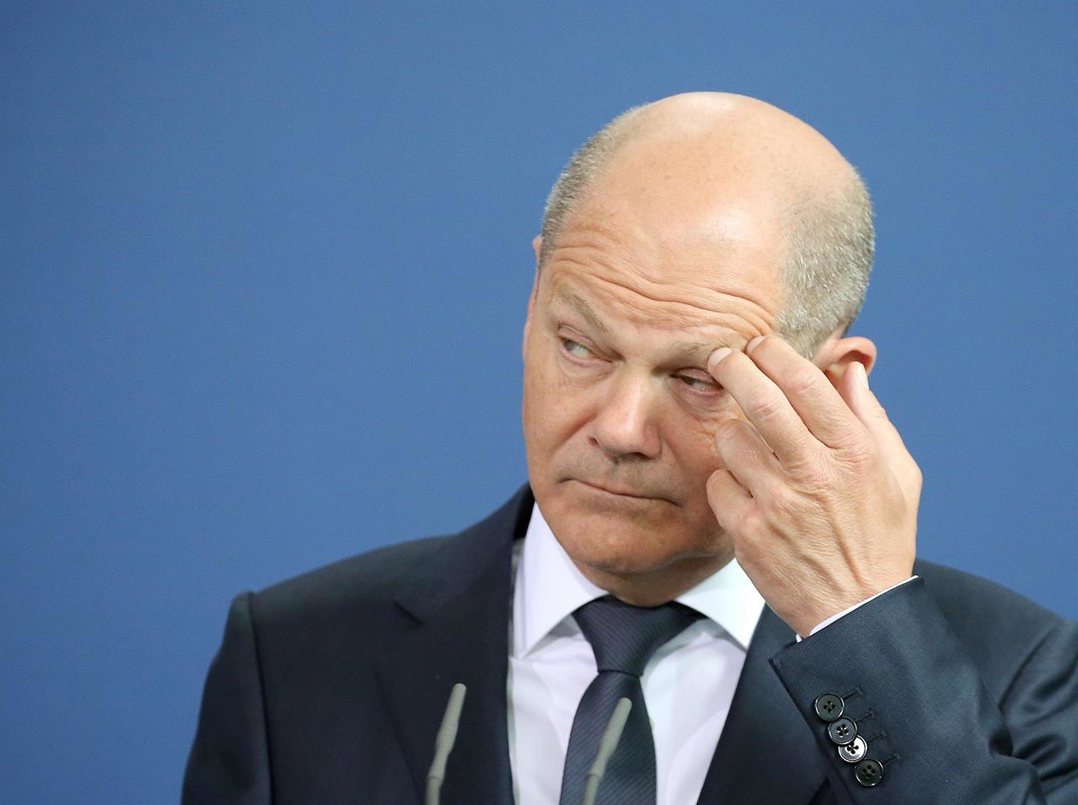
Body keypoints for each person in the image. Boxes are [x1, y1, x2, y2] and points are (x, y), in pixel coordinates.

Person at [182, 93, 1078, 804]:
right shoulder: (290, 658)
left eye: (696, 377)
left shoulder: (1015, 674)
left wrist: (856, 632)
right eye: (581, 345)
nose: (619, 429)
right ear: (533, 303)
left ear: (829, 387)